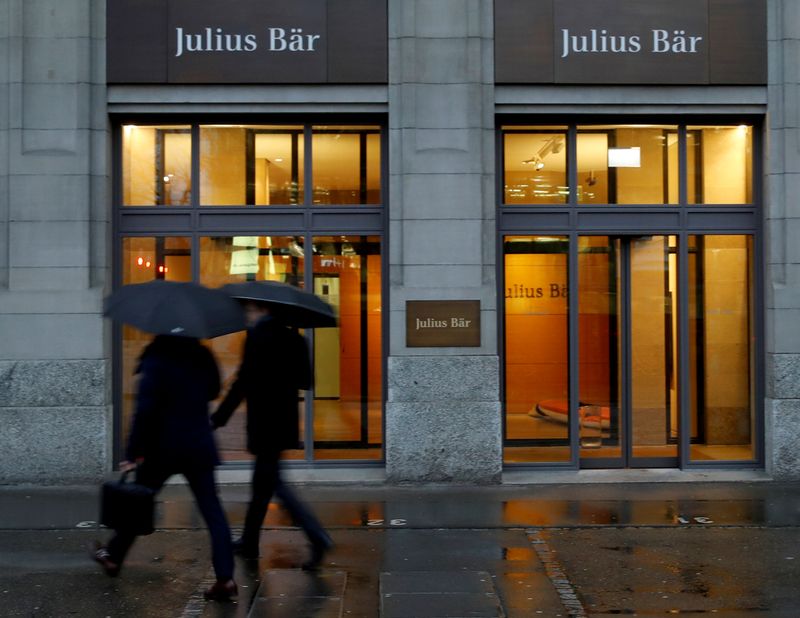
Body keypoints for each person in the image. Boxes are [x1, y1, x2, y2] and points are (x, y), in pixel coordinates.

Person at [90, 335, 237, 602]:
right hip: (198, 444)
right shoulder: (202, 354)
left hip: (162, 448)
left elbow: (144, 410)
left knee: (138, 504)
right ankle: (225, 578)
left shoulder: (155, 357)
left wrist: (132, 452)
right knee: (213, 512)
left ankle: (113, 556)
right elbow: (214, 390)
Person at [211, 301, 333, 568]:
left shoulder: (256, 337)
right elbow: (305, 381)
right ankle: (250, 541)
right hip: (284, 421)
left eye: (251, 309)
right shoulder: (295, 339)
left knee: (273, 484)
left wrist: (219, 418)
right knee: (262, 485)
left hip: (263, 422)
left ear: (264, 310)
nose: (248, 314)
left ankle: (317, 536)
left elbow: (243, 382)